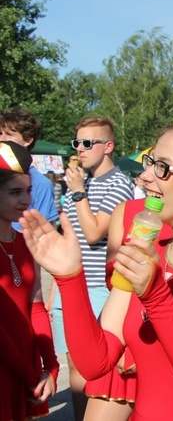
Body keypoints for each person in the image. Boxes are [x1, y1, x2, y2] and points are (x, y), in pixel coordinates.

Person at [22, 124, 173, 419]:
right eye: (150, 162)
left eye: (163, 168)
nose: (145, 176)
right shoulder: (148, 251)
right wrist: (69, 277)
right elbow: (95, 363)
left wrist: (155, 295)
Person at [50, 116, 133, 420]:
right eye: (77, 143)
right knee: (73, 367)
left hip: (98, 287)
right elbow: (66, 233)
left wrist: (78, 193)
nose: (80, 150)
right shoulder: (77, 184)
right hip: (68, 286)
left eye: (88, 143)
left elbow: (95, 232)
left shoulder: (119, 184)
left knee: (96, 368)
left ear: (108, 146)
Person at [0, 141, 59, 421]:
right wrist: (29, 374)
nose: (26, 200)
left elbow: (36, 306)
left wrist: (51, 366)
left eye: (28, 191)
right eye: (15, 192)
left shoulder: (27, 242)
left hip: (29, 366)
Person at [0, 107, 59, 230]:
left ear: (27, 140)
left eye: (9, 134)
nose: (2, 139)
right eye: (0, 134)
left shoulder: (42, 184)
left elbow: (47, 231)